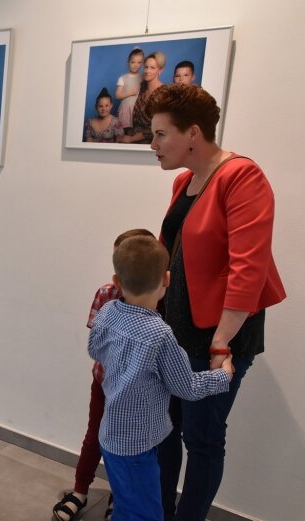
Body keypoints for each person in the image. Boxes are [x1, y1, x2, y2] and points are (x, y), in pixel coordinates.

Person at [147, 84, 286, 521]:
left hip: (217, 337)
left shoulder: (243, 176)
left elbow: (250, 268)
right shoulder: (184, 180)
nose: (152, 145)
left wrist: (222, 344)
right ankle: (160, 513)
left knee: (203, 438)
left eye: (159, 134)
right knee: (165, 431)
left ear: (192, 133)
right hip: (175, 330)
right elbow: (171, 252)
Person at [89, 235, 235, 521]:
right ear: (167, 279)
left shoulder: (107, 312)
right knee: (145, 515)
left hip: (110, 436)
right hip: (137, 446)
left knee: (126, 504)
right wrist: (222, 375)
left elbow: (94, 347)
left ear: (116, 281)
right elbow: (188, 387)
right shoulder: (160, 334)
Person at [52, 228, 155, 521]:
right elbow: (97, 340)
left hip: (138, 390)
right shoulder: (106, 294)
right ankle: (80, 491)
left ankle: (118, 497)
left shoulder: (157, 300)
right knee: (95, 435)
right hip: (105, 382)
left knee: (128, 445)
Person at [119, 52, 166, 144]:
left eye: (152, 68)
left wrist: (131, 139)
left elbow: (160, 127)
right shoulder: (142, 87)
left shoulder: (164, 93)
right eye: (146, 67)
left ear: (160, 70)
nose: (147, 71)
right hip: (131, 136)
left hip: (151, 143)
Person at [115, 47, 144, 130]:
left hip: (137, 110)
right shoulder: (123, 78)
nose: (136, 65)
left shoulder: (143, 77)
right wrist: (131, 92)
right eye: (133, 62)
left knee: (136, 132)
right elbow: (117, 96)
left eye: (139, 62)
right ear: (128, 62)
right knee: (123, 132)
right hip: (125, 110)